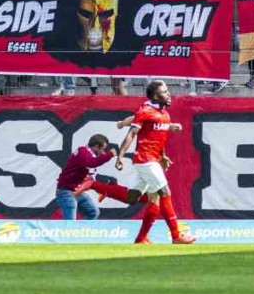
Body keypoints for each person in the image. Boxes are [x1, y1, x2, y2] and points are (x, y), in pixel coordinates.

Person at [73, 81, 194, 244]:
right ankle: (176, 235)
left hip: (151, 160)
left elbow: (159, 137)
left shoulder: (164, 114)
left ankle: (140, 238)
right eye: (165, 92)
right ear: (157, 96)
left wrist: (163, 156)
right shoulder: (146, 110)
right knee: (164, 192)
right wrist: (120, 155)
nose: (169, 94)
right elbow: (131, 134)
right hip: (146, 160)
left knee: (134, 198)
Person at [56, 134, 115, 220]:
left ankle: (81, 232)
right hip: (66, 191)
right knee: (70, 223)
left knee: (93, 212)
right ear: (96, 147)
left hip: (76, 191)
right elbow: (92, 163)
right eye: (102, 149)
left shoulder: (87, 153)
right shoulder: (82, 152)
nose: (103, 152)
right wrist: (110, 154)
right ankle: (71, 232)